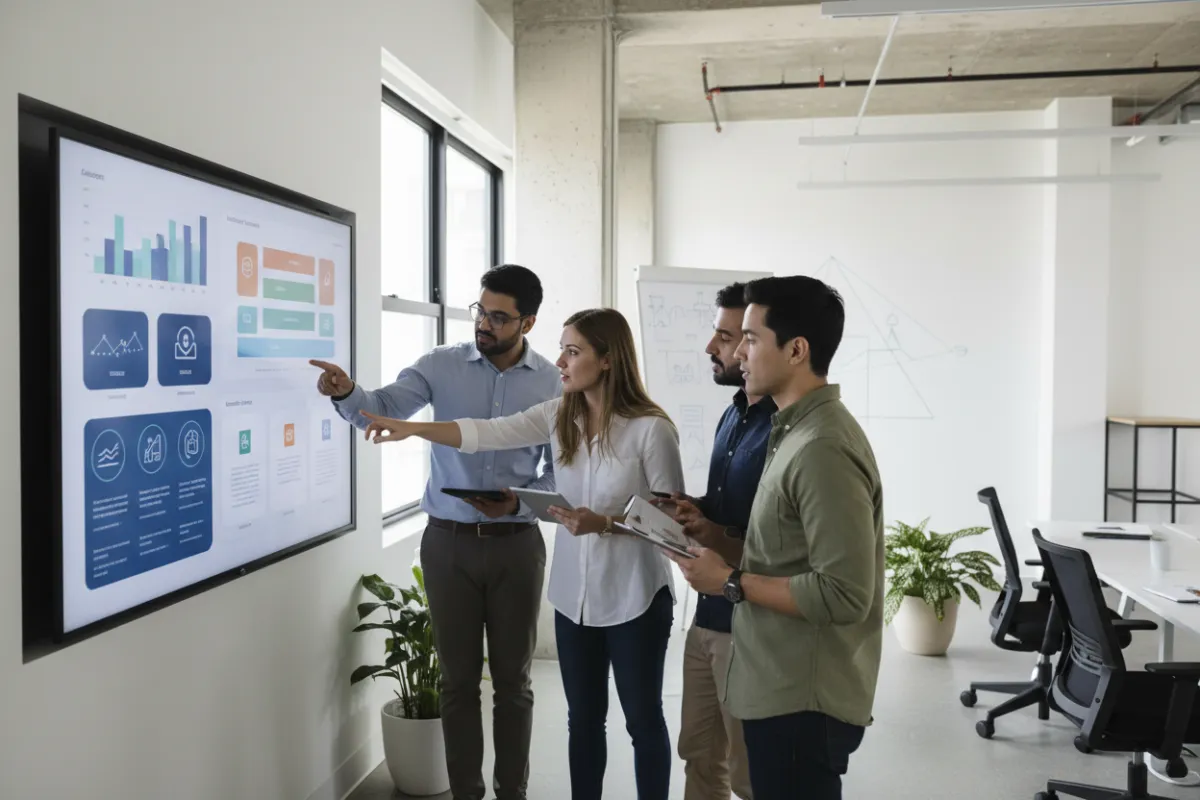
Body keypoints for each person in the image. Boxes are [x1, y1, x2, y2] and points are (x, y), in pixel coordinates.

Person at [357, 308, 684, 800]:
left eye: (573, 351)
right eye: (562, 348)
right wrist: (416, 430)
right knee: (583, 722)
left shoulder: (650, 430)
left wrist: (608, 524)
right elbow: (488, 431)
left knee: (641, 721)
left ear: (608, 359)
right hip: (574, 599)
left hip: (635, 597)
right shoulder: (560, 415)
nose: (561, 361)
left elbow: (673, 528)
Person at [310, 264, 561, 800]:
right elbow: (384, 411)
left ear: (529, 322)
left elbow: (561, 470)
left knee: (514, 685)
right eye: (480, 311)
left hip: (517, 544)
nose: (484, 325)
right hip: (446, 545)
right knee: (456, 683)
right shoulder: (440, 366)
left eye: (499, 317)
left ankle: (511, 792)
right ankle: (466, 793)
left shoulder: (552, 383)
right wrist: (348, 391)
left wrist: (521, 501)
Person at [669, 275, 884, 800]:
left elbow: (844, 593)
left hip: (801, 702)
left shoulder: (821, 447)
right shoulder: (793, 432)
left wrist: (729, 582)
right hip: (776, 685)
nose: (738, 351)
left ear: (796, 350)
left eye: (751, 338)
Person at [653, 283, 770, 800]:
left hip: (747, 624)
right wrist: (693, 510)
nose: (715, 348)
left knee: (749, 773)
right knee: (699, 755)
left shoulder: (786, 431)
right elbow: (733, 510)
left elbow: (777, 543)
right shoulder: (733, 413)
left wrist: (713, 533)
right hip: (705, 616)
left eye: (729, 337)